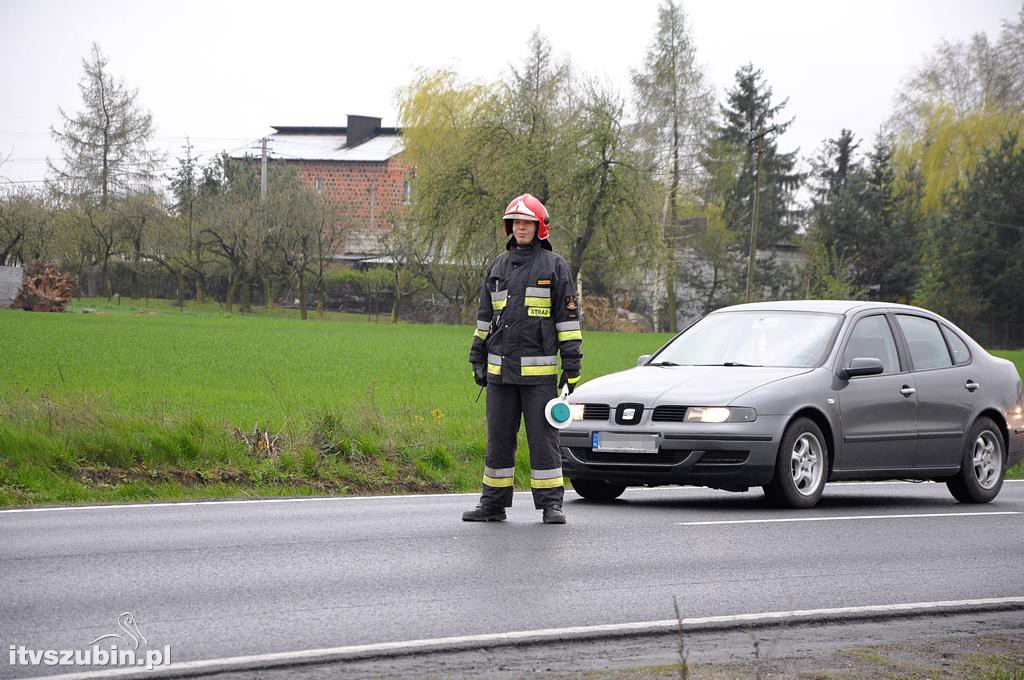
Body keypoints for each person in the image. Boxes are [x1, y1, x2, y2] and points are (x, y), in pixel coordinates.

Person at [464, 194, 583, 524]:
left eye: (527, 223)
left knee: (544, 441)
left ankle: (551, 505)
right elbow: (485, 317)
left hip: (539, 378)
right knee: (498, 441)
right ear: (509, 227)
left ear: (540, 227)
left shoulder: (554, 266)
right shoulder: (498, 266)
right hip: (500, 373)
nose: (520, 227)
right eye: (516, 222)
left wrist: (571, 368)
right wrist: (476, 356)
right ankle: (493, 504)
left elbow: (568, 323)